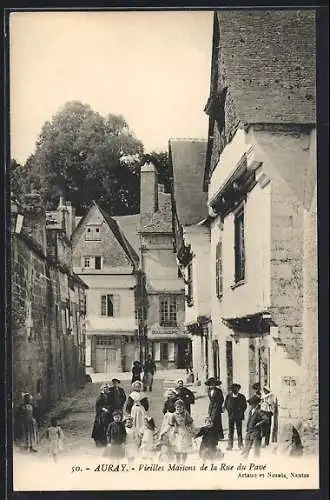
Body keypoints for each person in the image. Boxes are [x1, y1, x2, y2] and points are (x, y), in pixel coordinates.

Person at [168, 398, 194, 464]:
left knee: (184, 448)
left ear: (182, 407)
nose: (179, 409)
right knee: (177, 448)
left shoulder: (185, 413)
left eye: (180, 407)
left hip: (185, 432)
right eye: (177, 408)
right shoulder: (174, 415)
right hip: (177, 433)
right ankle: (178, 463)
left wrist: (191, 430)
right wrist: (171, 432)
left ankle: (184, 463)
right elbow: (171, 425)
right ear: (175, 408)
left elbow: (190, 422)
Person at [241, 395, 267, 459]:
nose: (250, 405)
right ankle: (245, 456)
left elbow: (266, 419)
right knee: (247, 442)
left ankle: (256, 459)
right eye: (250, 404)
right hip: (250, 430)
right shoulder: (251, 411)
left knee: (256, 447)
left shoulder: (259, 411)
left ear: (255, 404)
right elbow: (249, 420)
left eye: (251, 404)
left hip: (256, 431)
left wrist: (258, 423)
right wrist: (247, 427)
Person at [224, 383, 247, 450]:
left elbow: (244, 406)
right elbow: (226, 405)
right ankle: (230, 445)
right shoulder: (229, 396)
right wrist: (229, 411)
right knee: (230, 431)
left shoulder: (242, 397)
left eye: (236, 389)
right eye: (233, 389)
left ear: (238, 389)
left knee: (239, 431)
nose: (235, 390)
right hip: (231, 416)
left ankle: (240, 445)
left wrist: (240, 411)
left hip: (238, 416)